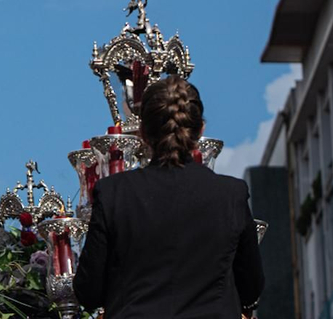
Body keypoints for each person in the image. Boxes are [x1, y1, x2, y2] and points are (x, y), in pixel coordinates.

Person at [75, 76, 264, 318]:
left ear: (142, 133)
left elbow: (88, 292)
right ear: (200, 130)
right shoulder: (231, 195)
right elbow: (251, 289)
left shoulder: (113, 193)